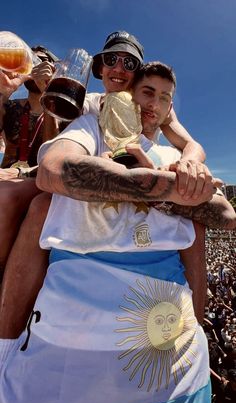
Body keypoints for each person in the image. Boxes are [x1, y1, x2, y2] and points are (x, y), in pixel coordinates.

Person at [0, 61, 222, 403]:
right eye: (147, 91)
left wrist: (186, 169)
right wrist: (157, 186)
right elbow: (54, 169)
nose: (154, 102)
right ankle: (5, 344)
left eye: (164, 98)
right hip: (70, 355)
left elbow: (222, 212)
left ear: (169, 110)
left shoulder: (172, 156)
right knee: (33, 206)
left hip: (174, 369)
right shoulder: (93, 116)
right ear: (129, 94)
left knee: (194, 231)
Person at [0, 30, 235, 341]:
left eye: (129, 62)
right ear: (99, 67)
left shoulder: (150, 102)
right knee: (35, 203)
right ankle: (6, 335)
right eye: (111, 59)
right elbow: (55, 156)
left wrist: (189, 164)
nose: (119, 67)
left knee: (193, 224)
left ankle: (195, 337)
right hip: (65, 170)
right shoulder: (88, 102)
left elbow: (191, 143)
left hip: (101, 174)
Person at [0, 45, 58, 279]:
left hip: (37, 182)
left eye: (42, 61)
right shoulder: (10, 106)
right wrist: (4, 90)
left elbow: (52, 153)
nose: (36, 66)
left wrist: (50, 97)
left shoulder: (63, 111)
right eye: (31, 61)